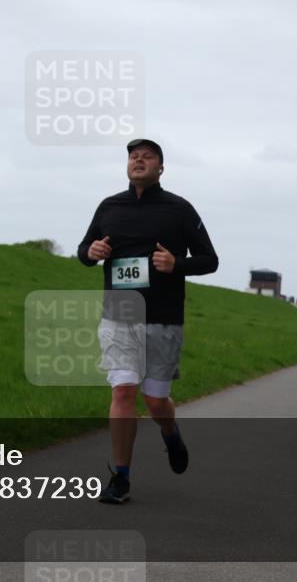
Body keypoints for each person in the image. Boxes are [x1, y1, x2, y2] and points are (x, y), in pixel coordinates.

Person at [78, 138, 218, 504]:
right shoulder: (109, 207)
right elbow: (84, 250)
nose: (138, 160)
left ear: (160, 168)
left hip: (163, 317)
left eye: (147, 156)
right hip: (119, 316)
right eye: (133, 156)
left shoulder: (179, 209)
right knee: (123, 390)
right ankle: (120, 478)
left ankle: (170, 432)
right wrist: (91, 252)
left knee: (155, 401)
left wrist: (177, 264)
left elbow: (209, 259)